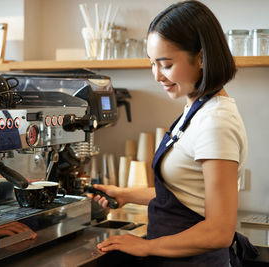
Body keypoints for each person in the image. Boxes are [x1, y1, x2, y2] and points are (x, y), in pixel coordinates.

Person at [89, 1, 258, 266]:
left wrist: (145, 246)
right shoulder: (196, 109)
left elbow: (219, 232)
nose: (156, 75)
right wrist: (124, 193)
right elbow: (183, 193)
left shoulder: (216, 122)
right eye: (152, 63)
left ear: (201, 58)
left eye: (165, 64)